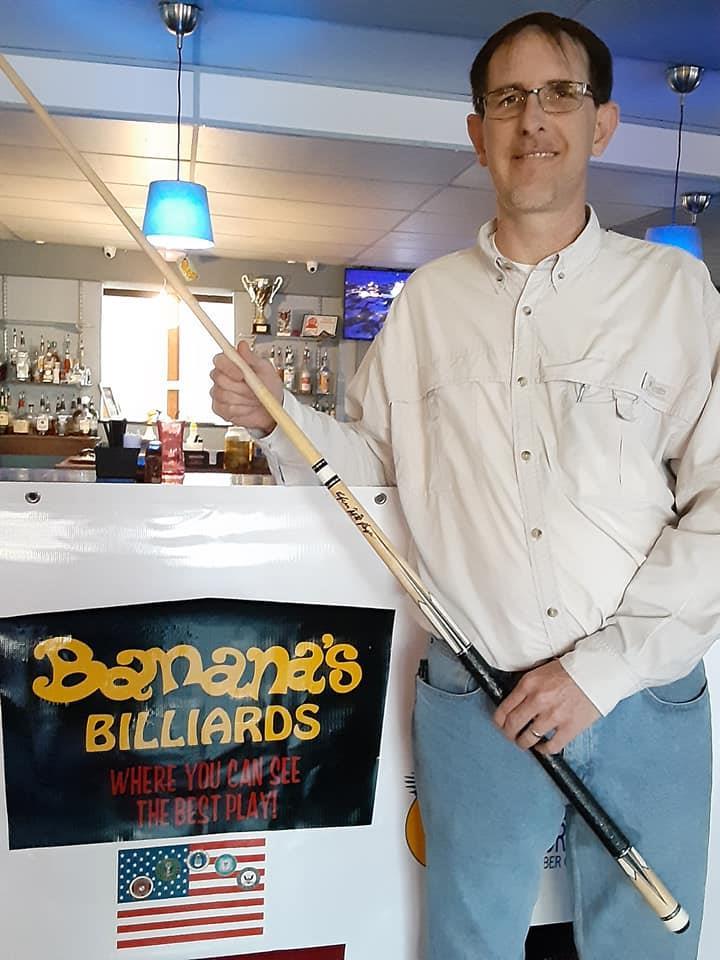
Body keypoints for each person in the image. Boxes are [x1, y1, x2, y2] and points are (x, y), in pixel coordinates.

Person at [211, 11, 719, 959]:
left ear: (602, 123)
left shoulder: (675, 294)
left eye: (560, 93)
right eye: (508, 99)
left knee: (645, 949)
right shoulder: (424, 306)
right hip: (476, 695)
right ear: (479, 133)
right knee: (468, 943)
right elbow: (375, 473)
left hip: (643, 695)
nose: (534, 118)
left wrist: (602, 672)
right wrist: (278, 418)